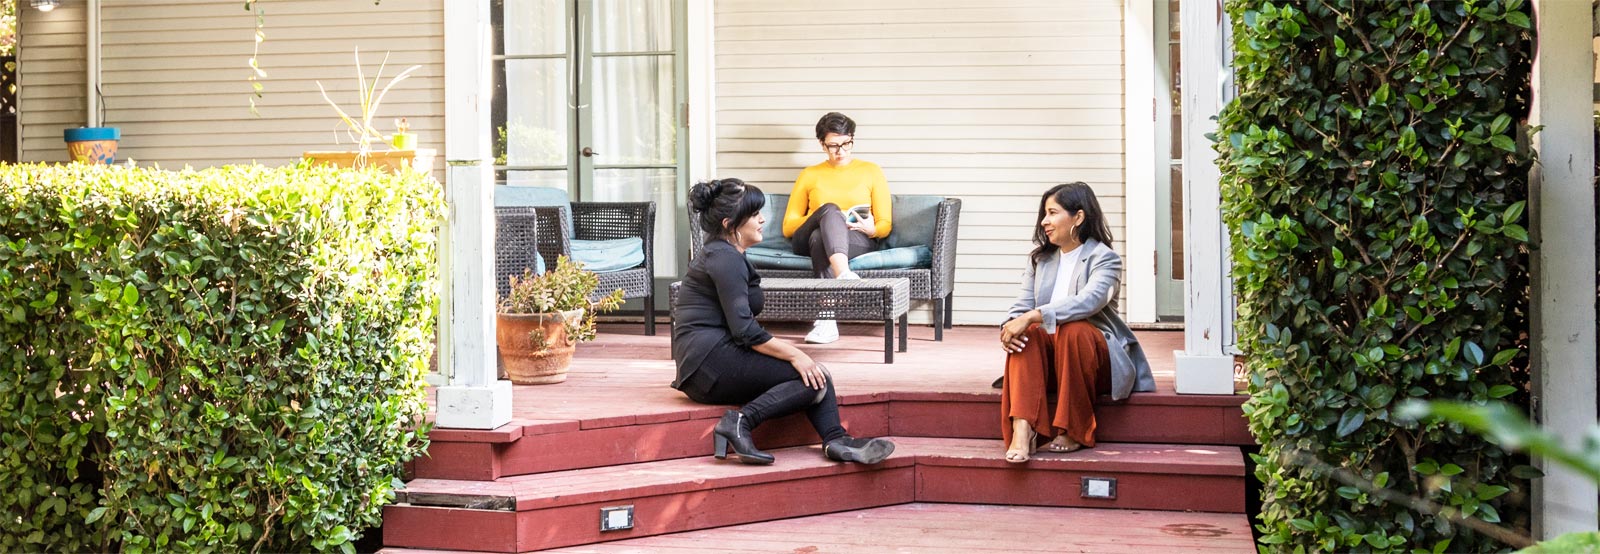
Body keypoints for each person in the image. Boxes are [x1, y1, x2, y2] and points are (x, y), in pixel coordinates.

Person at [673, 178, 896, 466]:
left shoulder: (725, 253)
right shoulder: (724, 259)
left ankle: (836, 440)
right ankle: (739, 422)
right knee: (812, 376)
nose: (763, 219)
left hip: (713, 357)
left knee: (814, 375)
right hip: (707, 364)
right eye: (754, 215)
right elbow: (744, 330)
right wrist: (796, 353)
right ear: (731, 225)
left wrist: (796, 358)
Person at [997, 182, 1155, 463]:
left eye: (1052, 212)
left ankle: (1075, 428)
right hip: (1052, 361)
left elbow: (1089, 301)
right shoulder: (1040, 260)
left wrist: (1033, 316)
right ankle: (1022, 429)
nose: (1044, 221)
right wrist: (1011, 326)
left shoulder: (1105, 259)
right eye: (1044, 214)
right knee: (1028, 335)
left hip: (1094, 358)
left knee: (1072, 329)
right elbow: (1021, 307)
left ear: (1078, 217)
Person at [783, 112, 893, 344]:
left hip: (856, 239)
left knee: (820, 239)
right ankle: (844, 275)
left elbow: (885, 224)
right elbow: (788, 226)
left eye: (846, 144)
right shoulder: (809, 174)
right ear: (822, 145)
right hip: (804, 239)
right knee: (829, 211)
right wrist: (824, 216)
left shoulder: (871, 171)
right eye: (833, 145)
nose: (840, 151)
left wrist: (872, 229)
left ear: (852, 139)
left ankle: (826, 320)